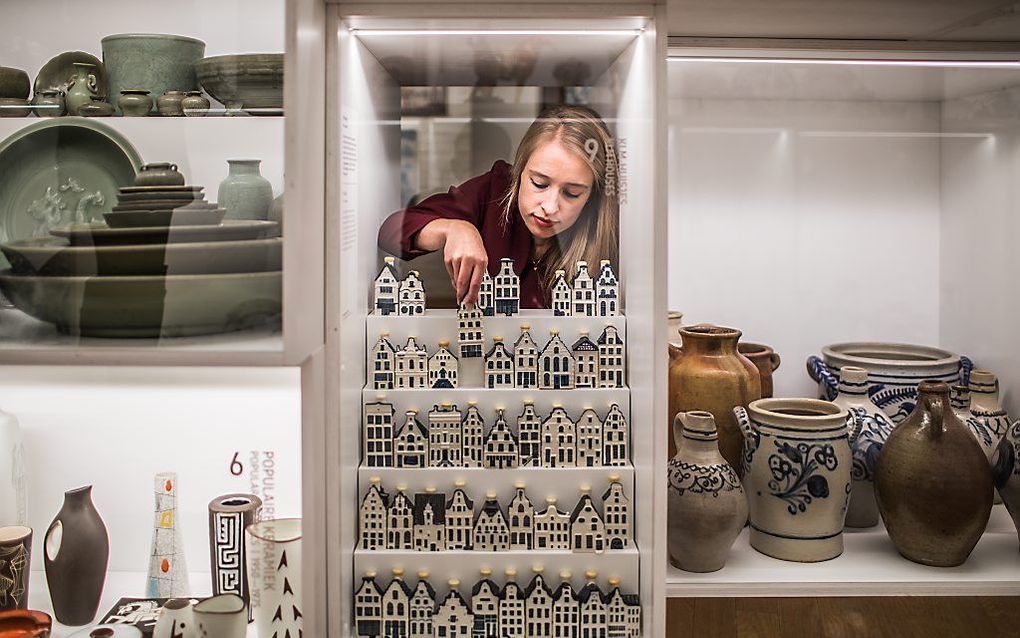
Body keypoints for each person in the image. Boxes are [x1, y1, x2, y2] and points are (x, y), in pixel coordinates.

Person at [378, 104, 619, 308]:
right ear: (520, 170)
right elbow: (391, 231)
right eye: (539, 183)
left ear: (592, 195)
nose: (550, 206)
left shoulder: (607, 229)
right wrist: (453, 229)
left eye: (572, 193)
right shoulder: (494, 190)